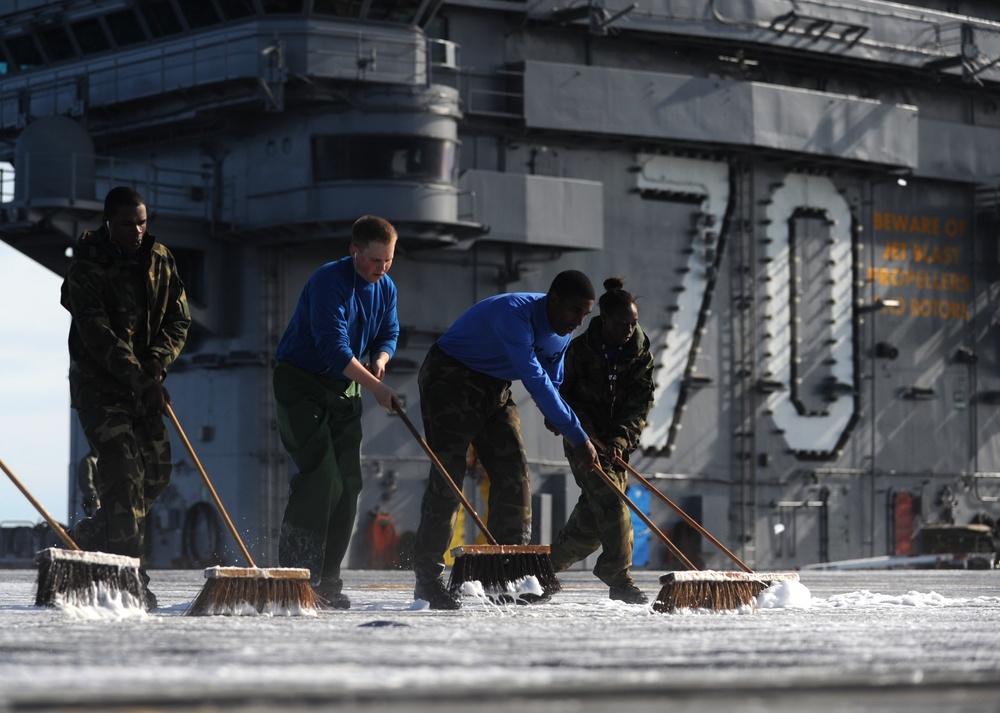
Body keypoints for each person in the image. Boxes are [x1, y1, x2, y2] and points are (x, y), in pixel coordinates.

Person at [412, 270, 600, 609]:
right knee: (449, 476)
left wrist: (554, 413)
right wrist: (578, 436)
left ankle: (508, 572)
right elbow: (534, 380)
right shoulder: (513, 316)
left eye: (585, 314)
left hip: (495, 386)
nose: (578, 322)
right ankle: (428, 578)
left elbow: (552, 377)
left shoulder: (563, 331)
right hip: (450, 378)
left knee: (515, 474)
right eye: (575, 311)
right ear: (553, 300)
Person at [62, 186, 191, 610]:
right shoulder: (86, 267)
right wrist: (140, 378)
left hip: (144, 387)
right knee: (123, 474)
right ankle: (129, 579)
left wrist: (157, 362)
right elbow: (97, 334)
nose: (136, 231)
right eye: (126, 223)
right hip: (101, 388)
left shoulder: (160, 259)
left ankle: (93, 533)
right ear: (107, 223)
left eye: (142, 222)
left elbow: (179, 319)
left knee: (157, 473)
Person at [273, 215, 400, 609]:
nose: (382, 268)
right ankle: (297, 575)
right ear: (354, 251)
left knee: (349, 483)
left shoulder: (386, 287)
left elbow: (389, 333)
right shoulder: (329, 282)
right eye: (375, 260)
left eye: (389, 260)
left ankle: (327, 580)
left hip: (344, 388)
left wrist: (381, 359)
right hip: (302, 383)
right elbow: (334, 350)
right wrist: (376, 387)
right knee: (321, 476)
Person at [548, 276, 655, 604]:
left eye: (634, 323)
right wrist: (583, 431)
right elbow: (562, 395)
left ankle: (544, 569)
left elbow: (639, 404)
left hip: (617, 444)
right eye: (623, 323)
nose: (629, 330)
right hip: (581, 438)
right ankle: (618, 577)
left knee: (594, 521)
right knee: (612, 501)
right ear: (604, 318)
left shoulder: (640, 355)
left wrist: (620, 441)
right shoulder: (578, 351)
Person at [77, 450, 100, 517]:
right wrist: (95, 499)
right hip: (94, 504)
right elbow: (86, 484)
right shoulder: (88, 461)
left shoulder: (102, 461)